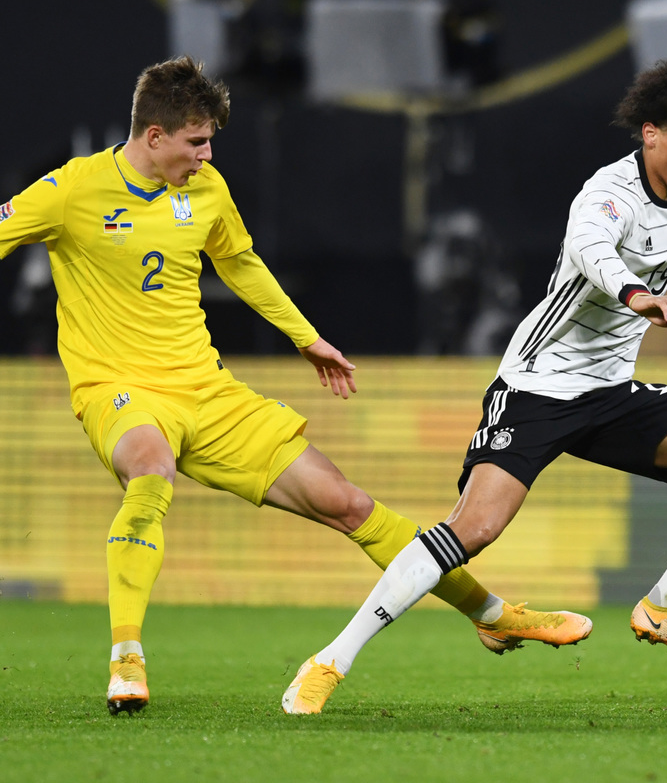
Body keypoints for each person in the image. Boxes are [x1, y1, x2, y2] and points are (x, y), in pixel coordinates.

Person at [0, 56, 592, 717]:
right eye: (196, 142)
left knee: (348, 503)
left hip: (207, 392)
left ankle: (492, 614)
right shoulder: (71, 189)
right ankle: (126, 657)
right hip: (118, 386)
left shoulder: (206, 188)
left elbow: (241, 264)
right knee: (151, 468)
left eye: (210, 142)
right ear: (155, 135)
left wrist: (306, 338)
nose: (207, 155)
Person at [281, 59, 667, 715]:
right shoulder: (606, 194)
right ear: (651, 133)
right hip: (537, 387)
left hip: (610, 391)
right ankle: (331, 660)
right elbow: (594, 256)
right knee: (473, 530)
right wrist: (640, 298)